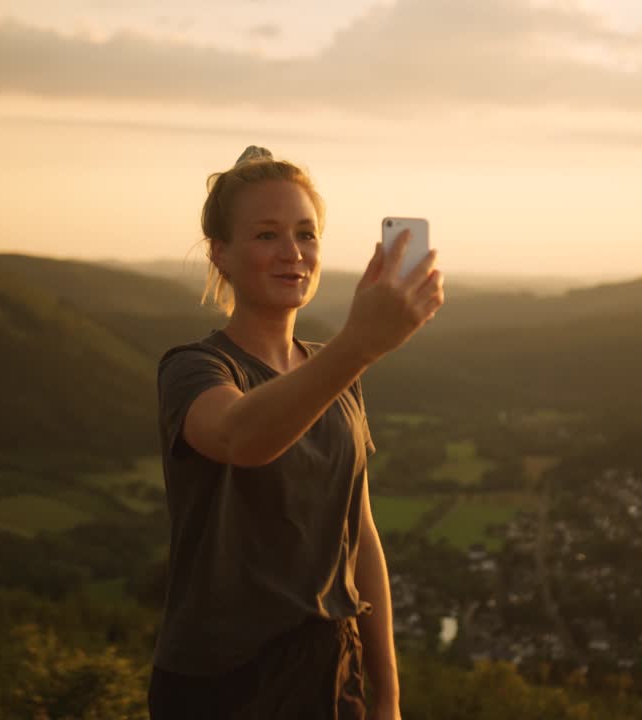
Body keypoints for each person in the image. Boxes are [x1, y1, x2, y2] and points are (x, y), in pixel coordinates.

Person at [148, 145, 445, 719]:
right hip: (223, 683)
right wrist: (359, 345)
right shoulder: (195, 368)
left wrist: (387, 697)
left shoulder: (335, 371)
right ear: (222, 254)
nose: (293, 253)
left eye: (306, 234)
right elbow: (241, 438)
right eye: (266, 235)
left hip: (332, 674)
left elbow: (360, 534)